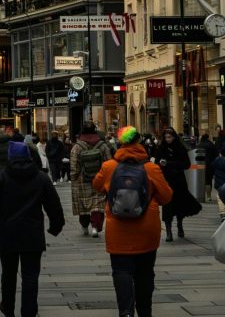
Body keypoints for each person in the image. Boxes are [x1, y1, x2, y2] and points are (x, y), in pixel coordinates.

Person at [0, 140, 64, 317]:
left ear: (10, 157)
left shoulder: (1, 178)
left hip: (7, 234)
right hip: (33, 235)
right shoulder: (40, 178)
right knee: (30, 276)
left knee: (8, 274)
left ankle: (8, 308)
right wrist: (56, 225)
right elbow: (54, 205)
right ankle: (28, 312)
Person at [93, 126, 172, 317]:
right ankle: (145, 311)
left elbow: (97, 185)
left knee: (121, 271)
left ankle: (126, 312)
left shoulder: (109, 167)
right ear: (139, 141)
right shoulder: (151, 168)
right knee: (145, 273)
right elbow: (167, 196)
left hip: (118, 229)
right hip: (147, 230)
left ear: (120, 143)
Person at [153, 127, 201, 241]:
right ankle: (169, 232)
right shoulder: (161, 148)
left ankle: (180, 225)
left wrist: (169, 163)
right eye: (166, 137)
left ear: (174, 137)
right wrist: (160, 163)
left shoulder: (180, 148)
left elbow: (186, 164)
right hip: (166, 181)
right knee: (167, 206)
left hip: (179, 181)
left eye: (169, 137)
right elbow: (156, 162)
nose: (168, 139)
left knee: (180, 205)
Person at [70, 121, 112, 237]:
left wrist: (74, 177)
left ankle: (84, 226)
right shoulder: (102, 145)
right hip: (98, 180)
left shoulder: (77, 147)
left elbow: (74, 166)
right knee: (97, 204)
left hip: (82, 181)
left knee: (83, 204)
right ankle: (95, 227)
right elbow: (109, 162)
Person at [199, 131, 217, 202]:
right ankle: (209, 196)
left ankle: (201, 195)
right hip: (209, 165)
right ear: (208, 138)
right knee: (208, 181)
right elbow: (215, 155)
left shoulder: (199, 145)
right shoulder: (211, 145)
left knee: (201, 180)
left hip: (200, 165)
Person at [213, 144, 225, 222]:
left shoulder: (217, 160)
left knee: (220, 197)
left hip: (219, 183)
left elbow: (212, 166)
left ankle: (223, 213)